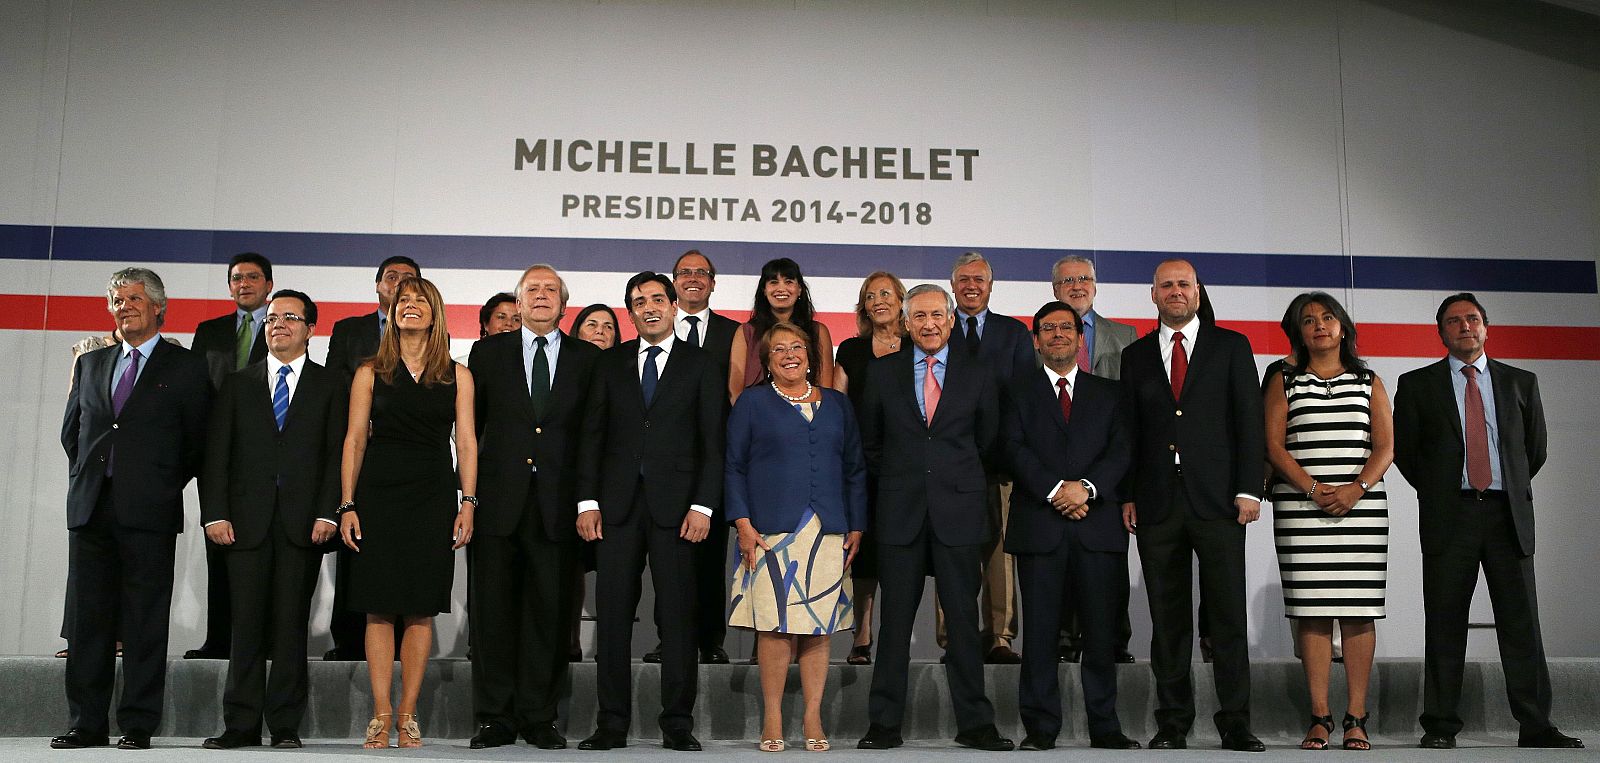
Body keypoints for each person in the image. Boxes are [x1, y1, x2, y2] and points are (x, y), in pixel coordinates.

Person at [1393, 293, 1583, 751]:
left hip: (1506, 515)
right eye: (1454, 321)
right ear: (1441, 332)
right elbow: (1408, 453)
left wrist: (1501, 486)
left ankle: (1535, 725)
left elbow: (1532, 452)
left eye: (1472, 319)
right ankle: (1440, 724)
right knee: (1444, 622)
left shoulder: (1521, 381)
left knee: (1522, 624)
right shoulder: (1416, 384)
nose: (1464, 327)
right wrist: (1443, 490)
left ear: (1486, 328)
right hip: (1449, 514)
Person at [53, 267, 212, 751]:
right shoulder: (91, 364)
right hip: (91, 510)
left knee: (144, 621)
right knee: (88, 621)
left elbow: (197, 443)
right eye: (117, 300)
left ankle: (138, 723)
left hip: (149, 513)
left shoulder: (184, 366)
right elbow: (73, 432)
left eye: (135, 299)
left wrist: (159, 484)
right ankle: (87, 723)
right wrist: (89, 476)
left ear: (158, 307)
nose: (125, 307)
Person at [857, 284, 1012, 752]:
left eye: (936, 316)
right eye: (918, 316)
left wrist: (949, 479)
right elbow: (871, 444)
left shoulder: (979, 374)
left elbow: (988, 444)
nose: (927, 324)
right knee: (895, 623)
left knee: (965, 624)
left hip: (959, 512)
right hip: (900, 513)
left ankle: (976, 725)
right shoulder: (882, 373)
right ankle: (884, 725)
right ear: (905, 323)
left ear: (950, 320)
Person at [1118, 259, 1265, 753]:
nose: (1176, 292)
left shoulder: (1231, 346)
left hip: (1221, 501)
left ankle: (1236, 723)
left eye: (1184, 284)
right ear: (1152, 295)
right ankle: (1173, 723)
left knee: (1227, 617)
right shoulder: (1135, 355)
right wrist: (1129, 494)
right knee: (1168, 620)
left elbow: (1249, 422)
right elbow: (1131, 433)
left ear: (1198, 292)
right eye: (1167, 286)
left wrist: (1250, 488)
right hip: (1158, 503)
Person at [575, 272, 724, 752]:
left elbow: (712, 443)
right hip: (616, 509)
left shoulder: (701, 364)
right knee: (613, 618)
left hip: (679, 511)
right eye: (639, 302)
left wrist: (703, 504)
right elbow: (591, 435)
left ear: (675, 305)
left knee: (679, 619)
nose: (650, 307)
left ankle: (677, 721)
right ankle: (611, 723)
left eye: (658, 299)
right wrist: (588, 500)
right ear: (631, 312)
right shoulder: (610, 363)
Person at [199, 290, 346, 750]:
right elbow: (216, 454)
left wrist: (329, 511)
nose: (277, 324)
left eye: (289, 317)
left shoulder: (330, 385)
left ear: (310, 328)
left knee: (289, 626)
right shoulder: (239, 383)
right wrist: (214, 513)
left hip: (305, 524)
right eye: (271, 318)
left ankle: (284, 725)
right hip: (244, 523)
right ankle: (240, 724)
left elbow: (335, 454)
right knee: (244, 626)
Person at [337, 276, 477, 749]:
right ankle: (380, 714)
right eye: (403, 302)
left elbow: (468, 442)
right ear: (391, 313)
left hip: (433, 496)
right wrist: (348, 503)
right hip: (378, 495)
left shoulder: (458, 375)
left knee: (420, 608)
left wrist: (468, 501)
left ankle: (407, 716)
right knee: (378, 606)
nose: (409, 307)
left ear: (435, 314)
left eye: (419, 301)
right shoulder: (369, 371)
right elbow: (354, 440)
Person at [465, 266, 601, 750]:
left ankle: (541, 717)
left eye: (551, 291)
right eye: (533, 290)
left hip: (559, 507)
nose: (542, 297)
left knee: (549, 615)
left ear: (564, 304)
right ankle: (494, 717)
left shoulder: (588, 359)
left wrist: (587, 500)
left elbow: (591, 437)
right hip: (498, 505)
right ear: (517, 303)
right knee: (493, 615)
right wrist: (468, 499)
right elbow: (469, 433)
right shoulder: (486, 353)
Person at [1002, 301, 1139, 751]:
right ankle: (1040, 728)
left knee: (1101, 634)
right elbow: (1013, 449)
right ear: (1036, 339)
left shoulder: (1109, 392)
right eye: (1048, 328)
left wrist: (1087, 488)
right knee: (1040, 634)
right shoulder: (1015, 390)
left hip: (1097, 527)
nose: (1058, 334)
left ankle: (1105, 726)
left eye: (1067, 327)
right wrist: (1057, 490)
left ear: (1081, 338)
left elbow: (1121, 451)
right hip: (1041, 526)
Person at [726, 321, 867, 752]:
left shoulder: (840, 405)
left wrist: (856, 524)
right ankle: (771, 716)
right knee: (774, 627)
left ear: (811, 354)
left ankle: (812, 714)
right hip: (769, 533)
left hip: (827, 530)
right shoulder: (751, 403)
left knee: (816, 628)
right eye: (779, 350)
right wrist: (743, 523)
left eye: (797, 347)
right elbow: (733, 466)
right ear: (766, 362)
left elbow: (855, 469)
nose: (790, 354)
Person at [1264, 292, 1393, 751]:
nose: (1319, 325)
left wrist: (1356, 489)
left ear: (1343, 327)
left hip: (1362, 508)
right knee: (1312, 611)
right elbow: (1274, 447)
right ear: (1296, 331)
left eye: (1327, 317)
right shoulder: (1283, 377)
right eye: (1308, 320)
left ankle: (1357, 716)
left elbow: (1385, 447)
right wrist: (1315, 491)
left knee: (1358, 611)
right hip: (1302, 508)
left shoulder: (1368, 379)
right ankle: (1320, 716)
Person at [645, 249, 742, 666]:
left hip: (711, 458)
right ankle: (670, 637)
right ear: (672, 284)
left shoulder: (732, 332)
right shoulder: (656, 330)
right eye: (685, 272)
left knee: (709, 554)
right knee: (667, 560)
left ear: (713, 283)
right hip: (662, 465)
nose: (693, 278)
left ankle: (710, 638)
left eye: (702, 273)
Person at [323, 255, 422, 662]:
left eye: (409, 280)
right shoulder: (349, 330)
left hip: (409, 460)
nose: (399, 284)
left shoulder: (432, 337)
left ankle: (399, 641)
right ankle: (348, 639)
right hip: (359, 452)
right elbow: (332, 389)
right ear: (377, 285)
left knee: (402, 555)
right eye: (391, 277)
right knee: (358, 549)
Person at [940, 252, 1033, 664]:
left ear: (991, 286)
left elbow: (1025, 399)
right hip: (948, 464)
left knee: (1001, 552)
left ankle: (1000, 637)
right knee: (952, 552)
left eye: (979, 279)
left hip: (1000, 463)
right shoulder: (936, 330)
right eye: (963, 280)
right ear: (953, 286)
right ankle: (954, 639)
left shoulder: (1013, 333)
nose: (971, 286)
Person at [185, 251, 275, 661]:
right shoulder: (209, 331)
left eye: (253, 277)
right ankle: (219, 638)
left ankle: (262, 640)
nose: (244, 284)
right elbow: (194, 394)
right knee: (218, 546)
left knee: (265, 550)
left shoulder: (280, 330)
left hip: (265, 457)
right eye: (237, 278)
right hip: (217, 457)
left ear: (268, 285)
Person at [1050, 255, 1137, 664]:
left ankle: (1114, 640)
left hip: (1109, 469)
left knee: (1110, 562)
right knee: (1062, 564)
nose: (1077, 285)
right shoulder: (1044, 334)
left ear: (1096, 285)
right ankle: (1066, 639)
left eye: (1084, 278)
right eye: (1067, 280)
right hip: (1057, 472)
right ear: (1055, 289)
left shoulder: (1127, 336)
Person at [831, 271, 908, 666]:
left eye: (886, 293)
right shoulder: (852, 349)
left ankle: (896, 638)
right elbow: (835, 405)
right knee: (862, 552)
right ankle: (862, 634)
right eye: (870, 295)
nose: (878, 300)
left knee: (901, 552)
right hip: (860, 464)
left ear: (901, 300)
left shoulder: (918, 346)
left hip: (908, 466)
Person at [565, 302, 619, 661]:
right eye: (591, 324)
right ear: (576, 331)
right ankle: (569, 641)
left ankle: (610, 649)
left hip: (616, 483)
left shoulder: (629, 369)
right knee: (571, 566)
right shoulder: (565, 369)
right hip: (569, 480)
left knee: (613, 567)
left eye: (608, 326)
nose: (600, 331)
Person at [727, 257, 834, 402]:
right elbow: (735, 389)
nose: (781, 288)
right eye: (773, 282)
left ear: (800, 289)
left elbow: (825, 389)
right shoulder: (746, 332)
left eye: (789, 282)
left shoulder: (818, 331)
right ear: (764, 290)